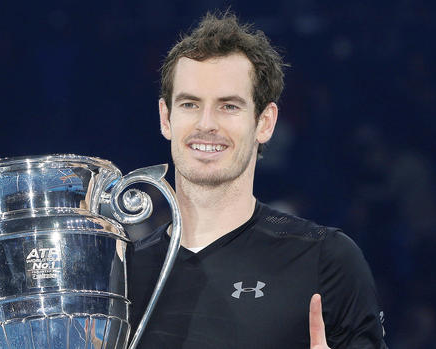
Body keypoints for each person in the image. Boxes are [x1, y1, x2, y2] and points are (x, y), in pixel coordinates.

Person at [128, 11, 387, 349]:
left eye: (229, 107)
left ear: (265, 123)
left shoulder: (325, 261)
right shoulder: (123, 274)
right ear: (166, 118)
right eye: (190, 104)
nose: (206, 123)